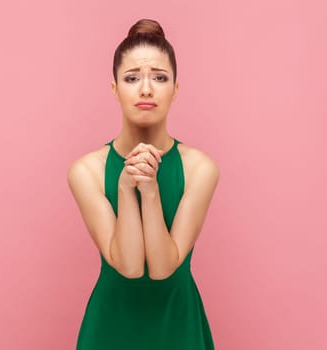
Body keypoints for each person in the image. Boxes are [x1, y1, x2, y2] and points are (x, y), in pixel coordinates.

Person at [67, 18, 220, 350]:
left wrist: (149, 190)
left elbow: (164, 267)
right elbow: (130, 266)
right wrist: (125, 187)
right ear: (115, 88)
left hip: (176, 324)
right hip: (111, 327)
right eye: (132, 78)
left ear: (176, 89)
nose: (146, 89)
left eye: (160, 78)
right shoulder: (87, 170)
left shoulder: (199, 168)